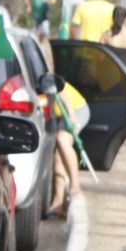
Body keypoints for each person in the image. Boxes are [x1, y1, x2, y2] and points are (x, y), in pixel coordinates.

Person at [49, 80, 90, 218]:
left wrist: (71, 113)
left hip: (76, 108)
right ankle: (58, 202)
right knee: (58, 153)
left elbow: (59, 90)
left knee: (63, 140)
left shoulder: (43, 74)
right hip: (61, 114)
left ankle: (75, 185)